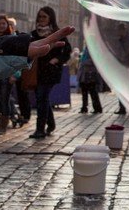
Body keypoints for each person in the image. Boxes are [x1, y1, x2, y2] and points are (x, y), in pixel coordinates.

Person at [29, 7, 72, 139]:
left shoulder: (57, 34)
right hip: (36, 71)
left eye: (44, 17)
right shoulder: (34, 34)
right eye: (40, 17)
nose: (41, 19)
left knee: (42, 97)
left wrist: (56, 59)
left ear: (50, 18)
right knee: (42, 98)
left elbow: (67, 52)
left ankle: (40, 129)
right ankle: (51, 124)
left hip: (50, 71)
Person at [0, 16, 15, 134]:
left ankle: (3, 125)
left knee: (4, 99)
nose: (1, 26)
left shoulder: (12, 39)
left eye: (3, 24)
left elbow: (16, 58)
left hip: (6, 74)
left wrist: (14, 75)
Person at [113, 23, 129, 114]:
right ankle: (122, 108)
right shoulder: (119, 40)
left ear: (123, 30)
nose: (117, 32)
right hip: (121, 67)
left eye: (118, 30)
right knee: (121, 87)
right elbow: (118, 52)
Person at [77, 47, 103, 114]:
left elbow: (95, 60)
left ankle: (97, 108)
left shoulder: (93, 49)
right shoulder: (85, 49)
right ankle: (84, 108)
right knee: (84, 93)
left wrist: (84, 62)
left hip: (90, 74)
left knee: (93, 92)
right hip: (84, 74)